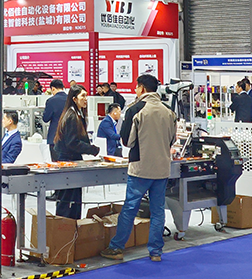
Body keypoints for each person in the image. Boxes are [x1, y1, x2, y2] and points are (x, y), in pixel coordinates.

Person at [101, 74, 176, 262]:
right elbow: (172, 139)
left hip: (141, 168)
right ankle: (156, 252)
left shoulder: (135, 110)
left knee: (130, 208)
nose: (135, 90)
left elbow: (127, 141)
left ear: (142, 88)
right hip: (162, 168)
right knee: (158, 210)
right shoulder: (168, 111)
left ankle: (117, 248)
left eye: (136, 87)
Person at [52, 85, 100, 219]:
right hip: (67, 161)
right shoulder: (72, 116)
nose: (86, 99)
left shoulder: (77, 114)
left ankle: (73, 226)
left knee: (73, 198)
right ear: (74, 99)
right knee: (67, 199)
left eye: (86, 95)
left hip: (72, 160)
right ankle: (63, 227)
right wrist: (91, 149)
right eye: (82, 96)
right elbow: (72, 143)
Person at [42, 79, 67, 159]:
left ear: (53, 89)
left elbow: (45, 118)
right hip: (69, 137)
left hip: (55, 136)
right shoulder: (71, 99)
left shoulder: (51, 101)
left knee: (56, 163)